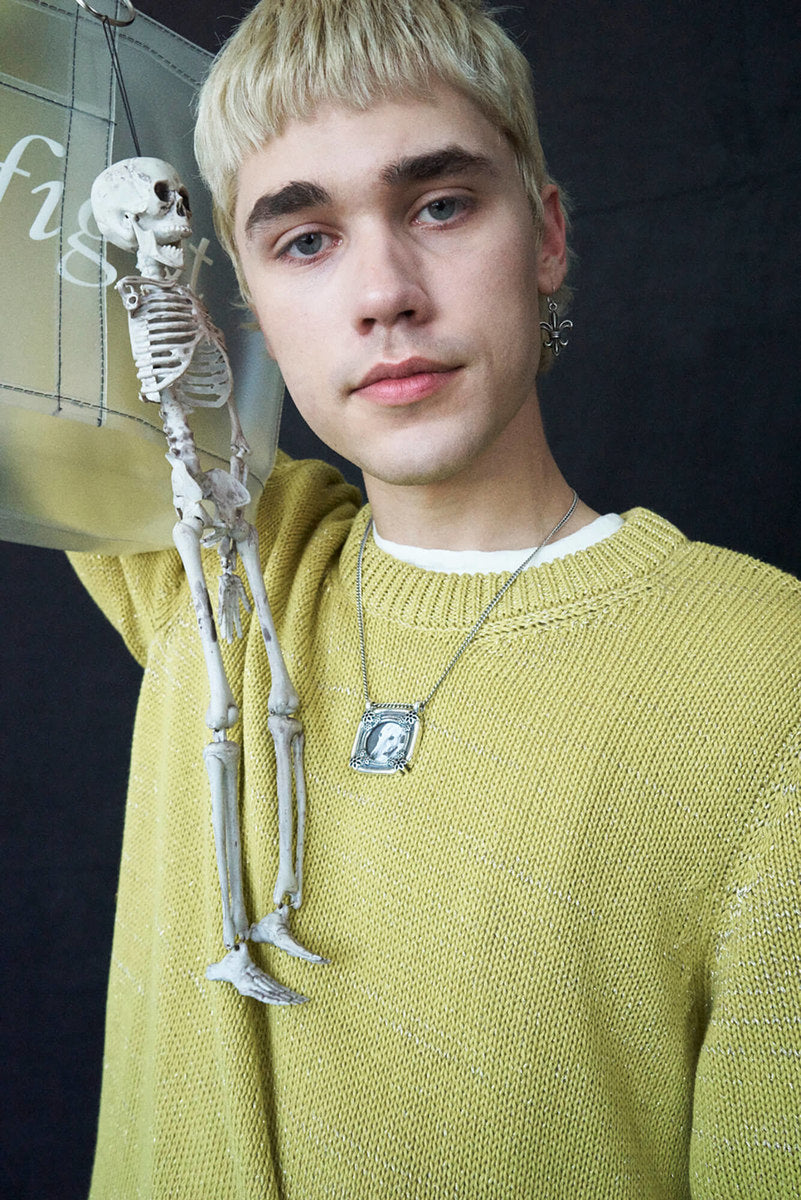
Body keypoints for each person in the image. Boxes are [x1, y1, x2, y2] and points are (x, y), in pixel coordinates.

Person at [62, 0, 799, 1196]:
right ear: (244, 301)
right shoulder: (212, 553)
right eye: (305, 240)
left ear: (545, 237)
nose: (385, 294)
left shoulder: (771, 678)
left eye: (441, 206)